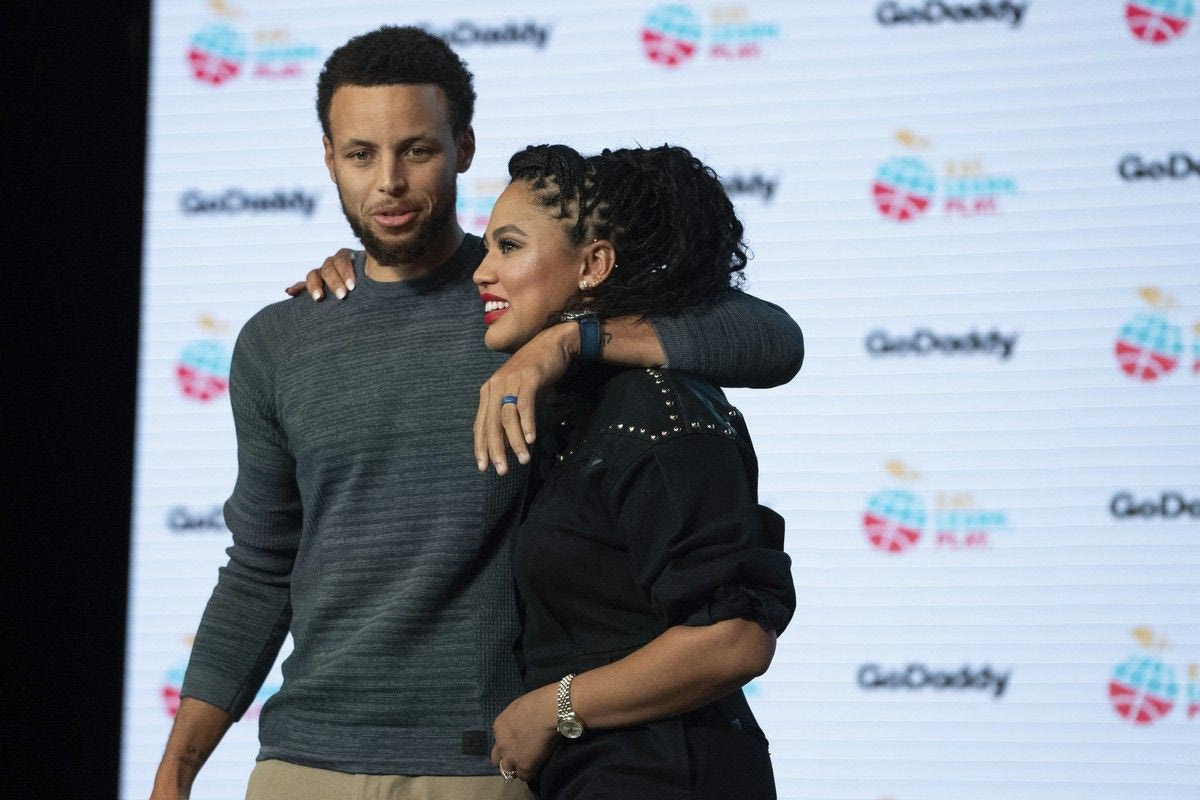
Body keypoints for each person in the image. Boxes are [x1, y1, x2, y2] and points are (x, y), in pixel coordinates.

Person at [150, 26, 803, 800]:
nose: (389, 182)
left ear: (463, 148)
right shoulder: (282, 338)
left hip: (486, 761)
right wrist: (176, 769)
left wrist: (566, 344)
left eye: (416, 150)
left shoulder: (528, 303)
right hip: (301, 759)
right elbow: (260, 568)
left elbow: (772, 338)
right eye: (360, 154)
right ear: (328, 157)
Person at [472, 143, 795, 799]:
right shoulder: (585, 405)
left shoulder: (655, 409)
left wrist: (552, 707)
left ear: (593, 265)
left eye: (508, 246)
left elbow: (734, 639)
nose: (482, 272)